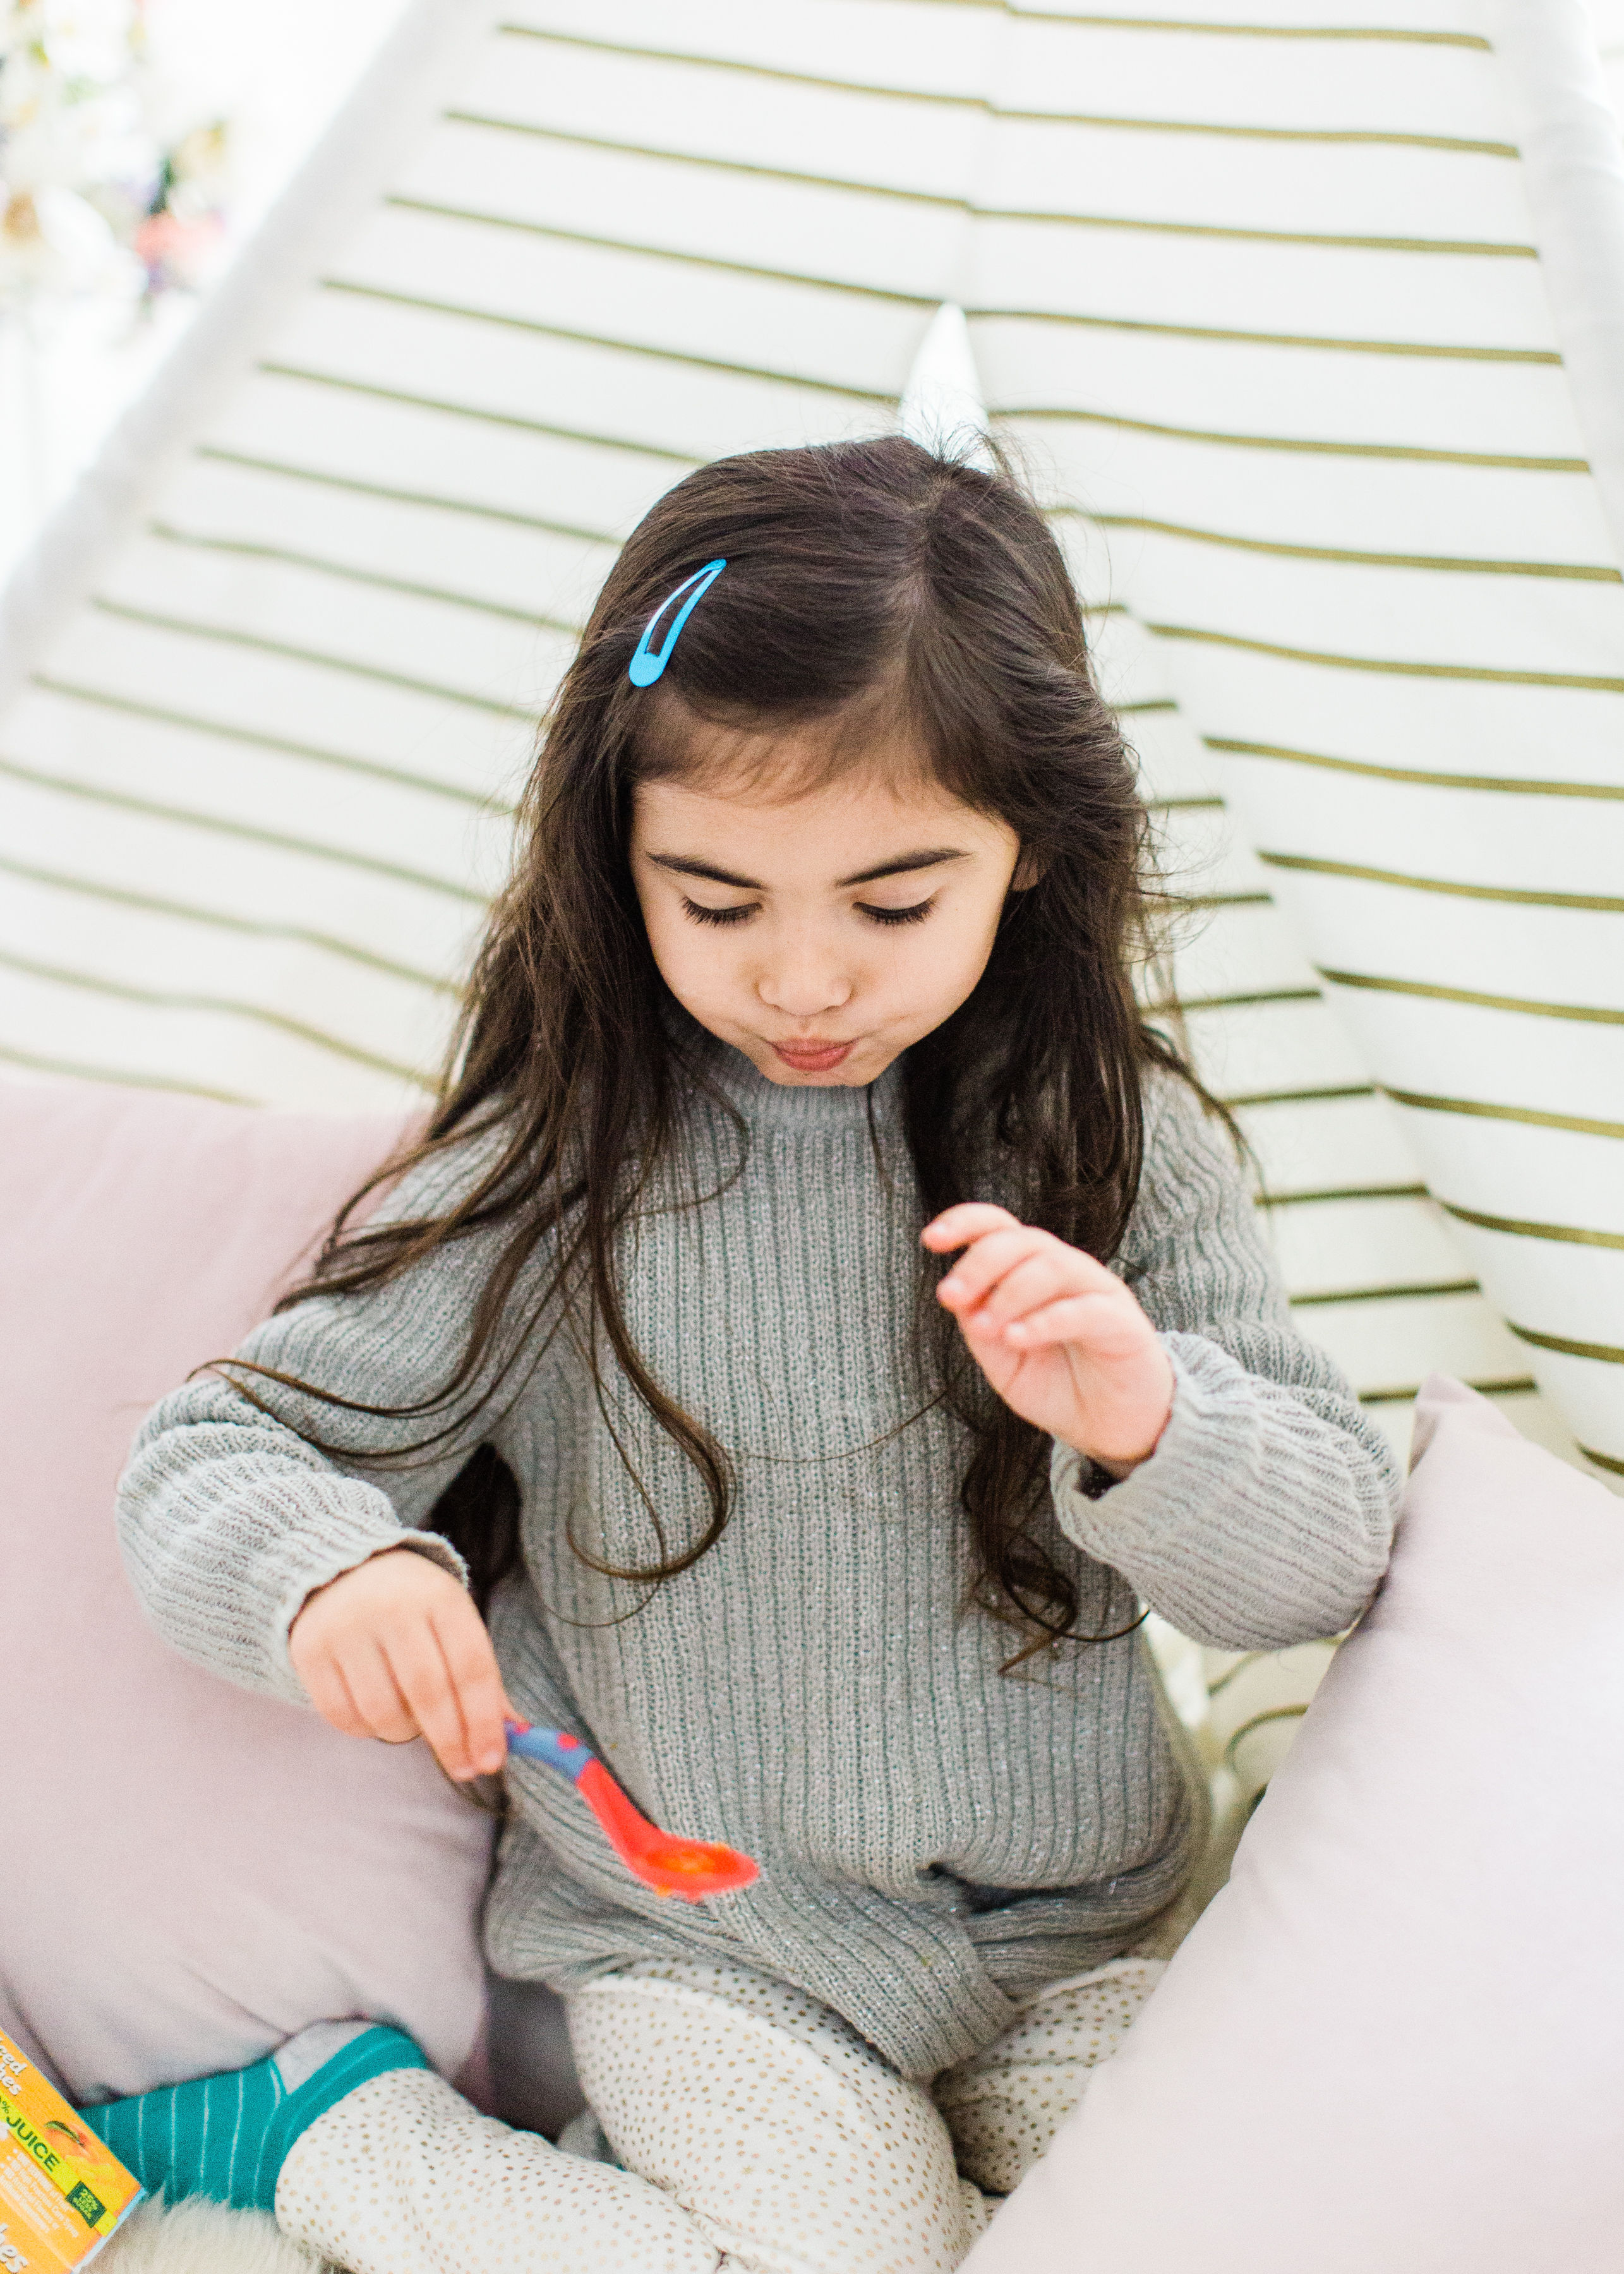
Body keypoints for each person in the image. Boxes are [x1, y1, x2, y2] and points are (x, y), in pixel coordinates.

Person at [88, 436, 1400, 2271]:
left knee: (1259, 2210)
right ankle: (338, 2139)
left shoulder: (1114, 1143)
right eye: (715, 901)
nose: (802, 981)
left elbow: (1331, 1560)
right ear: (614, 857)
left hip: (1079, 1935)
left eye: (888, 904)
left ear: (1030, 846)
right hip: (707, 1947)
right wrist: (332, 1570)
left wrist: (1149, 1417)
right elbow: (215, 1454)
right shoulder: (558, 1174)